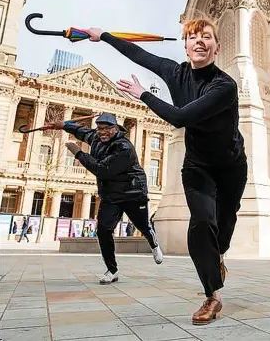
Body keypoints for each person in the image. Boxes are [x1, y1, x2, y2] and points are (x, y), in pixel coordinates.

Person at [83, 17, 248, 324]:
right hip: (198, 166)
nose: (199, 41)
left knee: (222, 231)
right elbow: (139, 55)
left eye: (206, 37)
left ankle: (219, 256)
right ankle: (212, 296)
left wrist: (142, 94)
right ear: (186, 46)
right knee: (200, 224)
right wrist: (103, 35)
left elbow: (180, 117)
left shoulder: (224, 86)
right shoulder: (175, 71)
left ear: (217, 47)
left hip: (230, 168)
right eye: (193, 37)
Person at [48, 113, 163, 284]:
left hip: (133, 192)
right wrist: (63, 125)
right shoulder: (95, 137)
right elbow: (81, 131)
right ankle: (112, 270)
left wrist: (79, 153)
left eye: (106, 129)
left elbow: (103, 170)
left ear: (115, 129)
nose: (102, 132)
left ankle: (154, 244)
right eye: (100, 128)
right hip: (111, 195)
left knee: (142, 225)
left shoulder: (124, 147)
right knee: (103, 229)